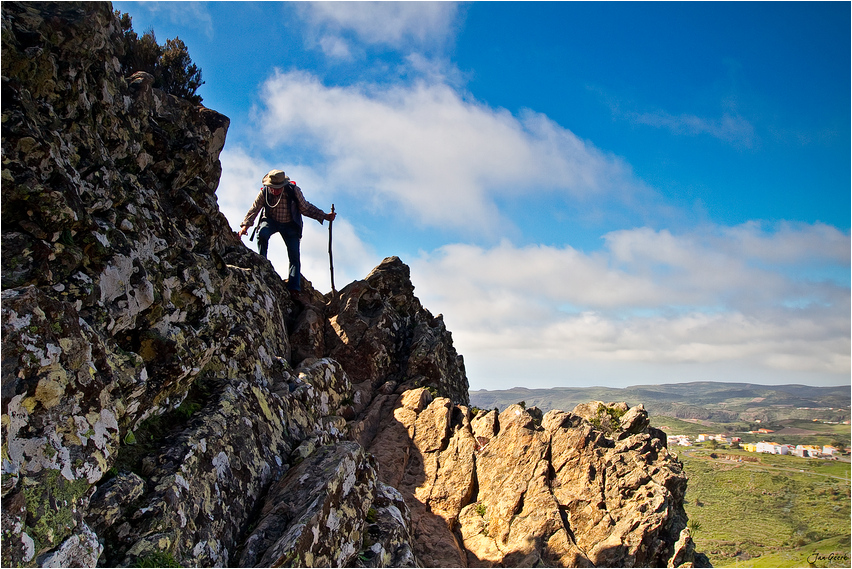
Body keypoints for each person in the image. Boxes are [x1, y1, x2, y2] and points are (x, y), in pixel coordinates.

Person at [238, 169, 335, 295]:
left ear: (283, 185)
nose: (275, 190)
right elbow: (254, 209)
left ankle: (294, 288)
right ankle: (262, 264)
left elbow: (305, 208)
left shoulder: (293, 190)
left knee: (294, 255)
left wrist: (324, 216)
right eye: (272, 187)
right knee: (262, 234)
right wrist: (245, 226)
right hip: (270, 220)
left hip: (290, 224)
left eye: (277, 188)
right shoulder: (265, 193)